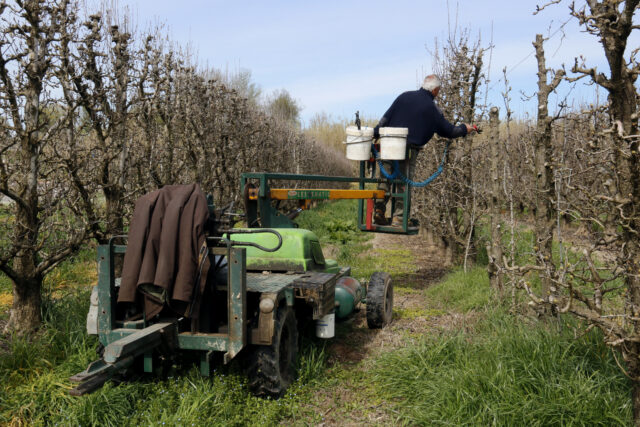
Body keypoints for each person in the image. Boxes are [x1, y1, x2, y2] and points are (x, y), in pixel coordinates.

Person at [373, 74, 476, 226]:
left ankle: (378, 211)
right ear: (435, 90)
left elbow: (385, 119)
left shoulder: (403, 97)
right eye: (438, 91)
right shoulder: (432, 108)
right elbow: (449, 131)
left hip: (388, 144)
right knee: (403, 183)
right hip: (407, 150)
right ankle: (399, 218)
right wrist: (464, 128)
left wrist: (375, 133)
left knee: (385, 179)